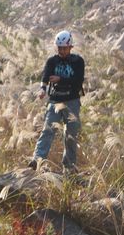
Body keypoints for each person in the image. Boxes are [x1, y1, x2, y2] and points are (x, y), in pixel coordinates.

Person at [29, 30, 85, 174]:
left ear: (70, 47)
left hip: (72, 101)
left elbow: (78, 81)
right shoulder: (52, 61)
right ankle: (37, 160)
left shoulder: (78, 61)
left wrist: (61, 79)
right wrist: (42, 89)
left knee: (71, 135)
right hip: (55, 101)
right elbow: (45, 76)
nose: (62, 51)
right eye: (59, 48)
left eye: (64, 48)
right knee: (48, 131)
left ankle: (69, 166)